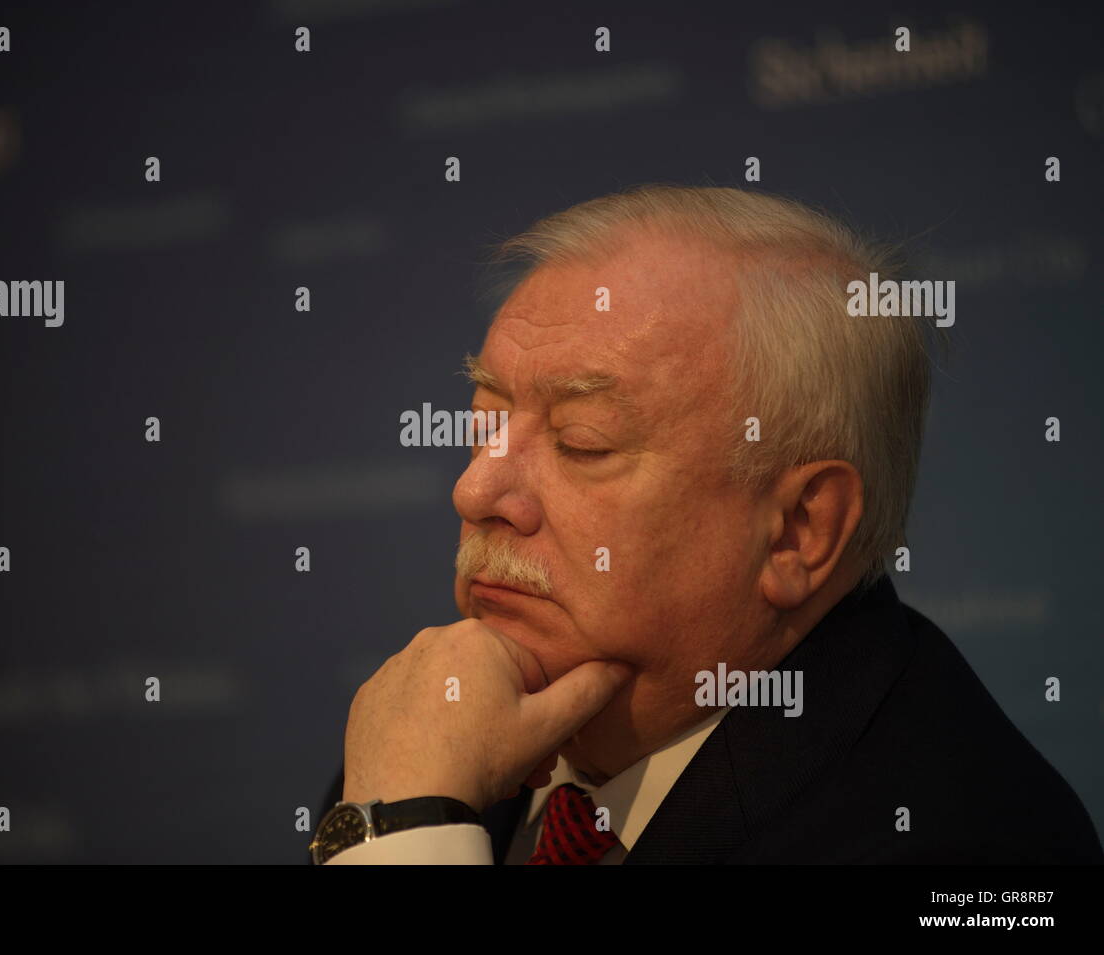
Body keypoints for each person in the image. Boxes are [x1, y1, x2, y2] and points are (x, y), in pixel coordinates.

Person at [309, 185, 1103, 864]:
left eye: (582, 441)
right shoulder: (435, 733)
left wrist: (403, 835)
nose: (475, 490)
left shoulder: (971, 843)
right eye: (485, 422)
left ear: (799, 530)